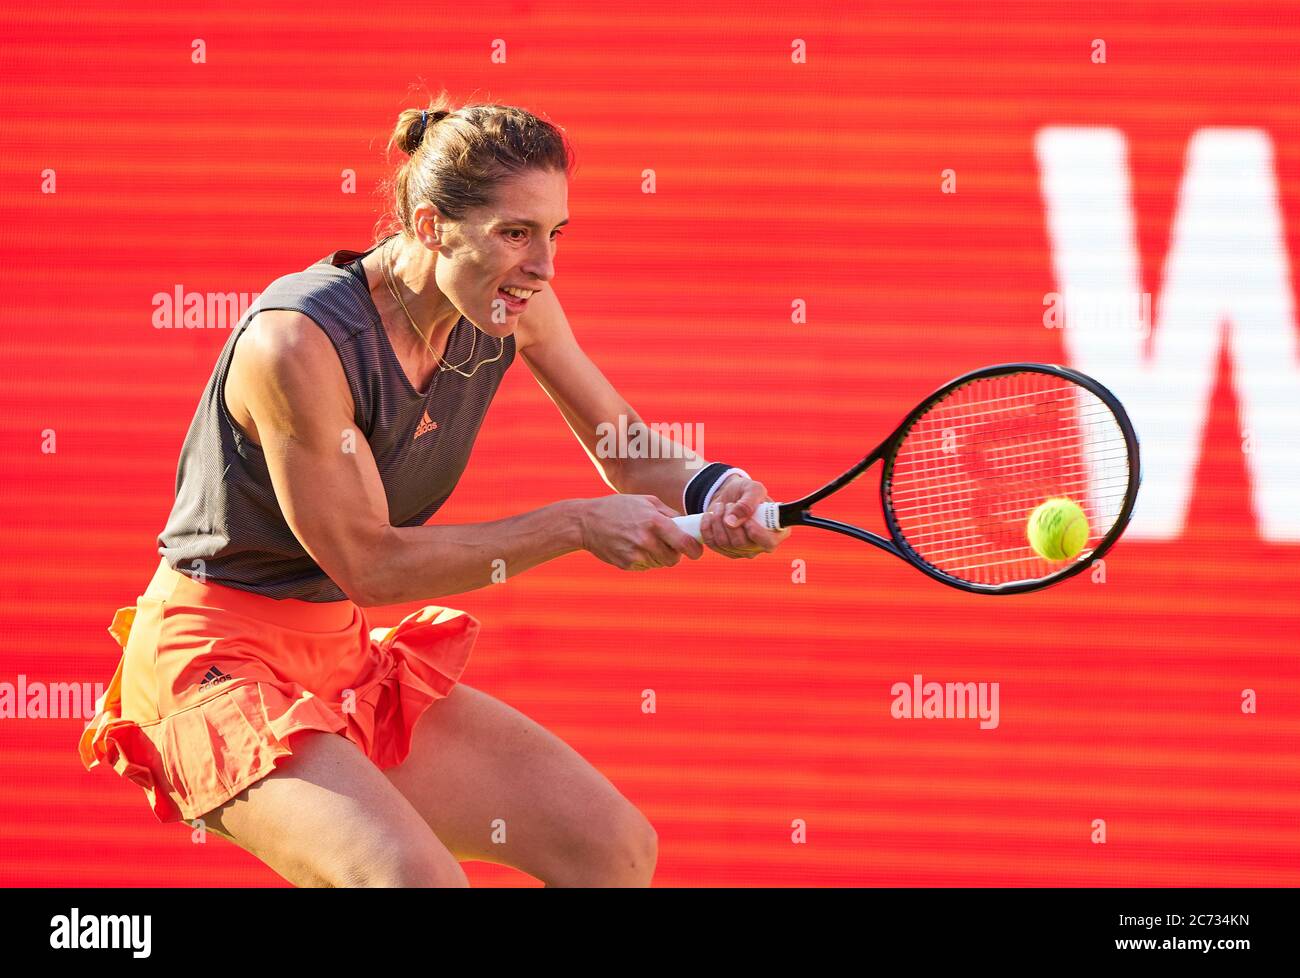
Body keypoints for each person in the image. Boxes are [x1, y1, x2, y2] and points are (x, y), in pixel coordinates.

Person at [79, 94, 788, 887]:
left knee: (613, 849)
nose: (544, 266)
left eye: (554, 234)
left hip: (338, 659)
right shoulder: (296, 345)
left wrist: (717, 489)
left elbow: (624, 449)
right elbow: (371, 567)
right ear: (427, 226)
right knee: (414, 883)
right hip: (216, 665)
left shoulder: (514, 306)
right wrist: (574, 526)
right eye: (515, 234)